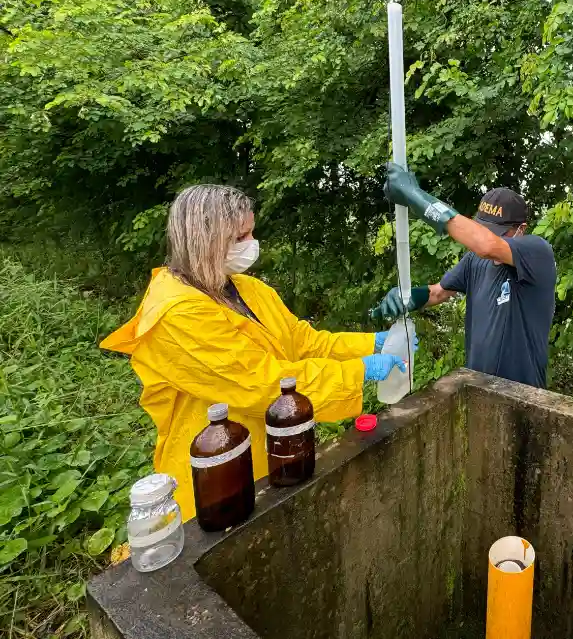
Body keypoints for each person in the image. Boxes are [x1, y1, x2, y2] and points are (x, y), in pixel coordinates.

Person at [101, 185, 409, 521]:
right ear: (206, 241)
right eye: (240, 236)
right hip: (218, 464)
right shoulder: (176, 313)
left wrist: (370, 345)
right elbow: (261, 382)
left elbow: (302, 341)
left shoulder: (246, 288)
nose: (251, 244)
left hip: (274, 446)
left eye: (252, 231)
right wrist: (358, 371)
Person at [371, 165, 556, 389]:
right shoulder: (474, 260)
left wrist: (415, 197)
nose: (489, 236)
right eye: (484, 228)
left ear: (521, 229)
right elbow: (438, 292)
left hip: (524, 395)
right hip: (478, 388)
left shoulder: (536, 252)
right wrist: (408, 297)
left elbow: (486, 245)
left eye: (498, 232)